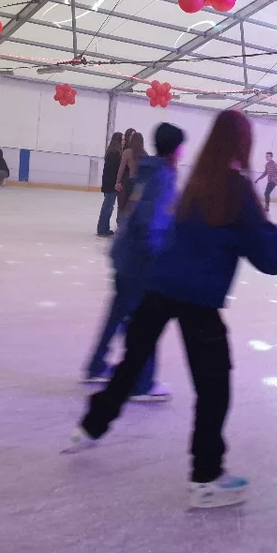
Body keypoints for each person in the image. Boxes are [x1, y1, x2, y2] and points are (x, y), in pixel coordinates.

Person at [65, 110, 277, 510]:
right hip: (196, 297)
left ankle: (89, 428)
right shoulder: (234, 185)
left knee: (129, 365)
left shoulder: (196, 180)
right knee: (214, 389)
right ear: (243, 143)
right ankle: (206, 478)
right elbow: (262, 250)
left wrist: (261, 232)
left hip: (159, 284)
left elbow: (235, 233)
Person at [82, 123, 186, 401]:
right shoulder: (162, 176)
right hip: (139, 262)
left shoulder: (147, 170)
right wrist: (156, 261)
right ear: (177, 149)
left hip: (124, 255)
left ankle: (96, 365)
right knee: (144, 323)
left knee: (117, 314)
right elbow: (149, 221)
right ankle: (141, 382)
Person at [97, 132, 123, 237]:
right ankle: (102, 229)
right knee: (107, 207)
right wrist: (117, 182)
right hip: (111, 185)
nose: (124, 141)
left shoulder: (111, 151)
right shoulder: (115, 153)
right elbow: (114, 170)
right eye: (122, 139)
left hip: (108, 184)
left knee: (108, 206)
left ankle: (104, 228)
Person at [115, 131, 145, 217]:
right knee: (134, 208)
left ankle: (121, 226)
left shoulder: (127, 152)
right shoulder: (145, 154)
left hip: (130, 183)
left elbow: (121, 168)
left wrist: (117, 182)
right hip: (140, 185)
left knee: (123, 206)